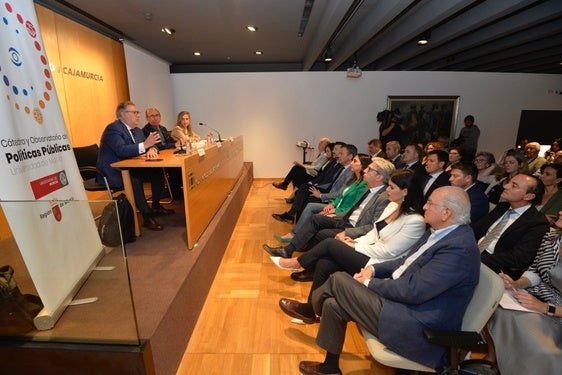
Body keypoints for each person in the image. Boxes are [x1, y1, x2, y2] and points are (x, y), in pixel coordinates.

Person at [294, 186, 480, 374]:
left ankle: (310, 310)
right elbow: (405, 262)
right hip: (401, 306)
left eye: (430, 203)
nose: (424, 206)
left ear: (446, 212)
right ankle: (329, 368)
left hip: (418, 325)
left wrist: (368, 283)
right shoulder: (441, 232)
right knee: (334, 304)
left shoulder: (459, 249)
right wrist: (372, 270)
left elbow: (413, 291)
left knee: (339, 279)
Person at [272, 170, 425, 324]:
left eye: (392, 187)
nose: (387, 190)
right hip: (368, 250)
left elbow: (389, 251)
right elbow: (374, 232)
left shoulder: (415, 221)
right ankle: (311, 311)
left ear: (405, 192)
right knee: (325, 262)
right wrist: (354, 242)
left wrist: (354, 245)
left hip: (378, 263)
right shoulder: (393, 206)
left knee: (331, 243)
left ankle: (296, 263)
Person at [264, 157, 393, 259]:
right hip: (345, 219)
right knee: (316, 218)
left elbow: (372, 226)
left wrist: (340, 220)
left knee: (320, 232)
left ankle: (302, 257)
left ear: (379, 176)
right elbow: (350, 207)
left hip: (352, 227)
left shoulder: (381, 196)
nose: (365, 170)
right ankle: (290, 249)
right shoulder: (367, 188)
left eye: (370, 169)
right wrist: (334, 211)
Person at [485, 212, 562, 375]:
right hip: (536, 297)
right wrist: (516, 283)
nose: (560, 212)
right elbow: (536, 270)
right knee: (497, 307)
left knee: (539, 345)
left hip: (556, 312)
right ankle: (492, 362)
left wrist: (545, 307)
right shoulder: (552, 238)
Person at [97, 101, 174, 231]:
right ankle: (147, 217)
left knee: (157, 171)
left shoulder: (137, 131)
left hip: (131, 167)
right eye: (134, 112)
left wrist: (151, 150)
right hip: (113, 171)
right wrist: (145, 146)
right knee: (134, 180)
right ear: (122, 115)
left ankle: (155, 205)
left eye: (138, 112)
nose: (138, 115)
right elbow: (121, 150)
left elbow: (151, 144)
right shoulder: (113, 129)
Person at [274, 154, 371, 242]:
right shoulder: (353, 179)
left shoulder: (363, 185)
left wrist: (334, 211)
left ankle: (296, 235)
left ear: (363, 166)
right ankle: (294, 233)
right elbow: (341, 195)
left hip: (341, 212)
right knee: (310, 205)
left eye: (355, 161)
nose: (351, 163)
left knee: (312, 206)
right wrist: (332, 204)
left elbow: (353, 206)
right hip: (335, 206)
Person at [472, 173, 550, 279]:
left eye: (514, 185)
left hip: (495, 269)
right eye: (509, 182)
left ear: (528, 196)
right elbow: (476, 229)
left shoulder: (537, 223)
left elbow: (519, 258)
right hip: (473, 252)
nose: (505, 186)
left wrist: (477, 258)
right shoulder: (502, 207)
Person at [272, 144, 356, 224]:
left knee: (305, 192)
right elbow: (327, 178)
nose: (338, 155)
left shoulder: (349, 172)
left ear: (350, 156)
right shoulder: (339, 165)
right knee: (303, 186)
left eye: (341, 153)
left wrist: (321, 195)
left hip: (329, 195)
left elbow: (338, 192)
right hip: (325, 189)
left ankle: (294, 221)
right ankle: (294, 222)